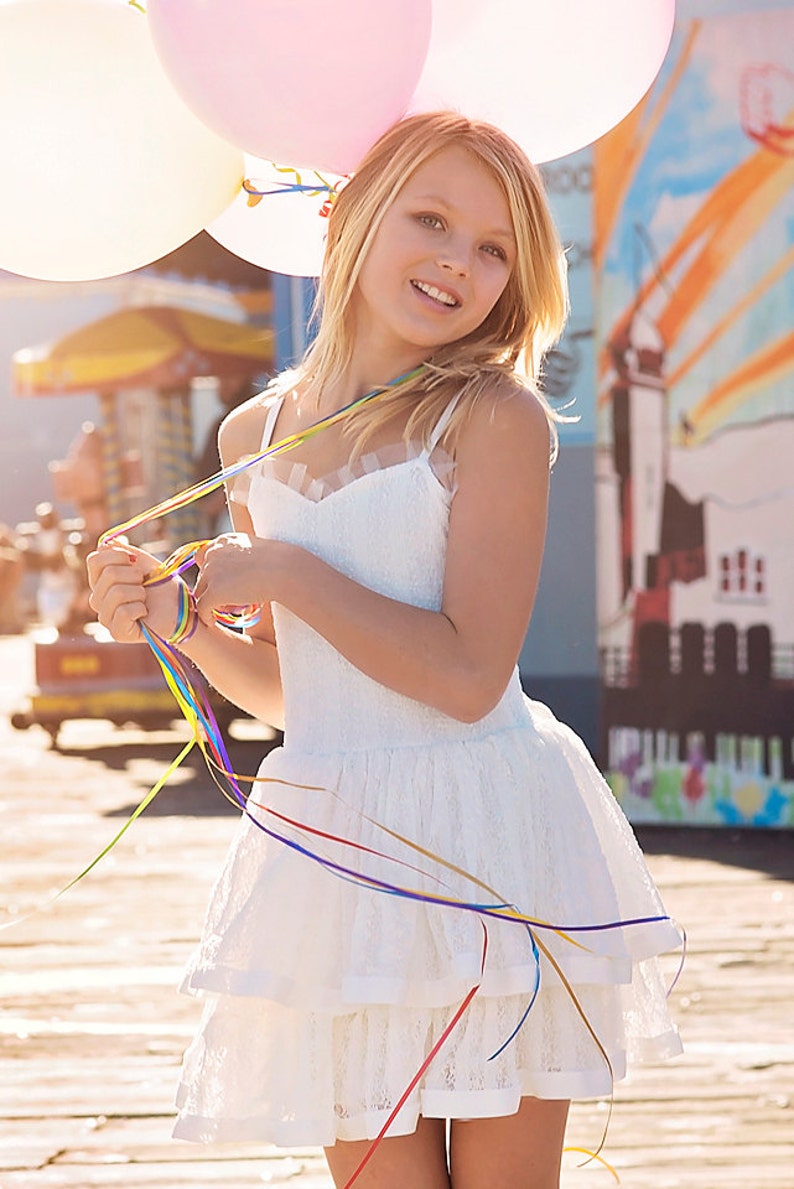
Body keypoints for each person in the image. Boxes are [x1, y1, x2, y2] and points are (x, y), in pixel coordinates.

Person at [87, 112, 682, 1189]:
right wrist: (171, 623)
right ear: (350, 217)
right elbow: (291, 692)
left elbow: (463, 680)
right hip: (334, 844)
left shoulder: (490, 417)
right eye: (432, 219)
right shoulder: (248, 439)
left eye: (495, 246)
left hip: (488, 839)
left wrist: (285, 575)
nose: (459, 259)